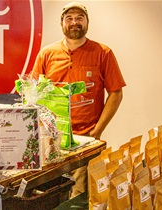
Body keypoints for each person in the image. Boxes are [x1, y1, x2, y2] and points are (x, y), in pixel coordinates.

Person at [30, 2, 126, 198]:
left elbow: (116, 93)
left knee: (79, 196)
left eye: (79, 18)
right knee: (50, 196)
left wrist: (97, 130)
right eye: (69, 18)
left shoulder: (103, 53)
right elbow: (33, 94)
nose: (74, 22)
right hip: (51, 142)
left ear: (87, 23)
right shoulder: (47, 54)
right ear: (62, 24)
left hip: (85, 140)